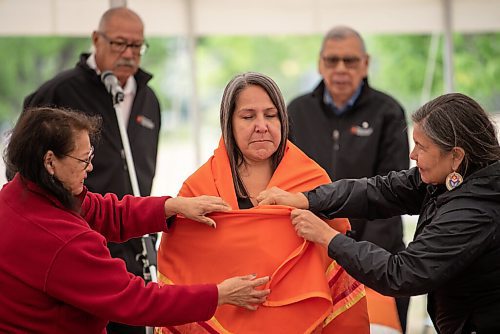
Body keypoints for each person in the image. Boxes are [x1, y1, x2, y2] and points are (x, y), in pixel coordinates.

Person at [0, 106, 270, 334]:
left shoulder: (18, 191)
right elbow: (136, 300)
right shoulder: (62, 241)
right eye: (84, 160)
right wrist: (219, 295)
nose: (90, 168)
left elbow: (104, 211)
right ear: (50, 163)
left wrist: (171, 206)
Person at [257, 93, 500, 333]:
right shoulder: (449, 177)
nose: (412, 155)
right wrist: (306, 198)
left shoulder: (476, 210)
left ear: (456, 155)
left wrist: (328, 238)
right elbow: (380, 190)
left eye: (422, 147)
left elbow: (402, 273)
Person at [156, 72, 369, 333]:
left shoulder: (312, 180)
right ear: (228, 123)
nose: (261, 125)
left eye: (271, 115)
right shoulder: (200, 187)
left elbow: (336, 260)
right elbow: (179, 265)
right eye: (248, 116)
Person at [23, 7, 161, 333]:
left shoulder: (148, 98)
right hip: (78, 245)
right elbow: (20, 166)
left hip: (134, 244)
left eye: (137, 46)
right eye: (119, 44)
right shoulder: (59, 92)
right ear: (96, 39)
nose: (128, 54)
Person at [287, 25, 410, 331]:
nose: (341, 68)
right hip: (311, 260)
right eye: (332, 60)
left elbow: (395, 193)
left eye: (350, 61)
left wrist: (358, 259)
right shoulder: (296, 111)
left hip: (378, 261)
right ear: (320, 63)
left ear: (365, 64)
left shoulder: (389, 112)